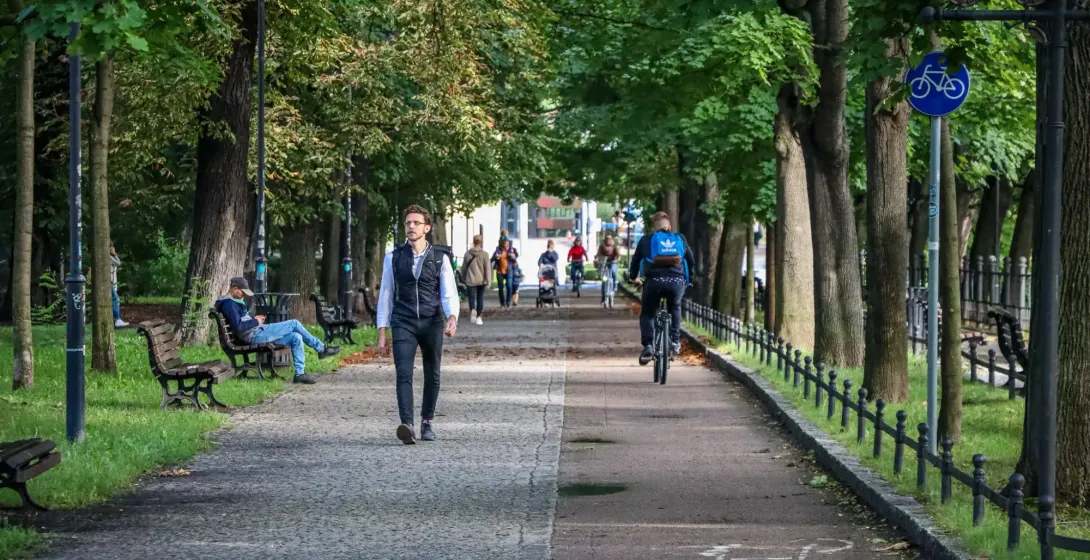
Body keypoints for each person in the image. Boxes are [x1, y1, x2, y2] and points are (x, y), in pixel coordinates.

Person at [377, 205, 459, 444]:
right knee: (403, 374)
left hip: (432, 321)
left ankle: (427, 422)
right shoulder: (393, 258)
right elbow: (386, 294)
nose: (411, 226)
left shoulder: (439, 258)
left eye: (415, 223)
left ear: (427, 227)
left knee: (432, 374)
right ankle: (407, 424)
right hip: (403, 321)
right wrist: (382, 330)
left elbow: (448, 292)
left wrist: (452, 317)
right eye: (407, 223)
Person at [214, 277, 340, 384]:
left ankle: (299, 374)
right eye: (242, 292)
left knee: (296, 337)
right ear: (235, 288)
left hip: (257, 332)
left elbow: (240, 322)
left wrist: (255, 319)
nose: (244, 295)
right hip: (255, 335)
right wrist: (256, 321)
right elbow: (239, 326)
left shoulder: (232, 302)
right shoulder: (229, 304)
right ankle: (322, 349)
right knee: (294, 323)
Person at [628, 212, 696, 365]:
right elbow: (691, 261)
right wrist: (689, 279)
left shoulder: (646, 240)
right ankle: (675, 341)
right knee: (675, 307)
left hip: (653, 282)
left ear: (654, 228)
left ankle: (649, 345)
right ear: (669, 227)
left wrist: (634, 278)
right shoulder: (680, 238)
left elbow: (635, 262)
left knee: (647, 313)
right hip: (676, 282)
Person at [461, 235, 491, 325]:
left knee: (471, 297)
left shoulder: (467, 254)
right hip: (481, 280)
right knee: (480, 298)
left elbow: (464, 268)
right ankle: (479, 316)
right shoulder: (485, 254)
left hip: (470, 279)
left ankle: (472, 312)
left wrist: (463, 277)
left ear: (473, 242)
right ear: (481, 243)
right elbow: (488, 268)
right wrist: (488, 280)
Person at [491, 239, 519, 308]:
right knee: (500, 288)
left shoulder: (512, 250)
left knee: (509, 286)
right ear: (503, 245)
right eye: (506, 244)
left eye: (508, 244)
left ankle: (508, 302)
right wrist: (496, 256)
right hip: (500, 271)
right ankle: (502, 303)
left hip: (509, 270)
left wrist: (513, 257)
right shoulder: (498, 250)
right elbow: (492, 259)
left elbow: (516, 257)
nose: (507, 246)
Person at [595, 234, 621, 306]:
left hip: (613, 262)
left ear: (611, 239)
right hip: (604, 263)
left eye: (609, 239)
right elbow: (598, 254)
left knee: (613, 271)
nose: (608, 240)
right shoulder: (602, 246)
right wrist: (597, 259)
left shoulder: (614, 246)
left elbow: (618, 255)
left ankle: (614, 284)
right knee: (604, 280)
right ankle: (603, 298)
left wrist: (617, 260)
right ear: (605, 239)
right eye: (607, 239)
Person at [110, 243, 128, 328]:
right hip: (109, 282)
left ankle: (116, 319)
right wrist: (114, 254)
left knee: (114, 300)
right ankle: (117, 319)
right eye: (112, 247)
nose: (113, 248)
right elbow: (118, 263)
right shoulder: (108, 257)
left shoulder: (111, 257)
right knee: (116, 299)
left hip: (112, 282)